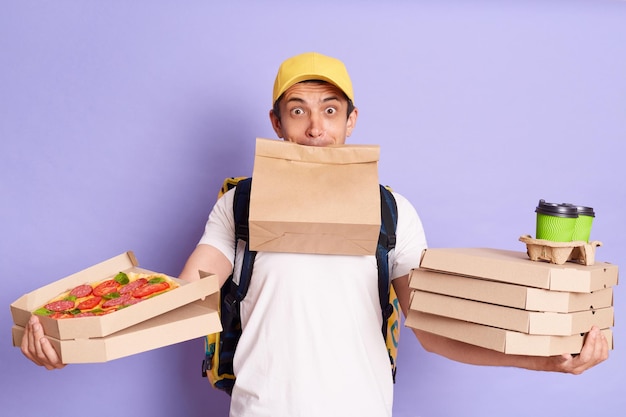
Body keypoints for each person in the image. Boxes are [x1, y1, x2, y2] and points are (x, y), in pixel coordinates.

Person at [21, 52, 609, 416]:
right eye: (297, 110)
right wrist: (75, 339)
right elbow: (189, 294)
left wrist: (544, 363)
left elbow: (430, 332)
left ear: (352, 121)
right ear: (275, 123)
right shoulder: (239, 204)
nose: (314, 127)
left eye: (330, 110)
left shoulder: (393, 211)